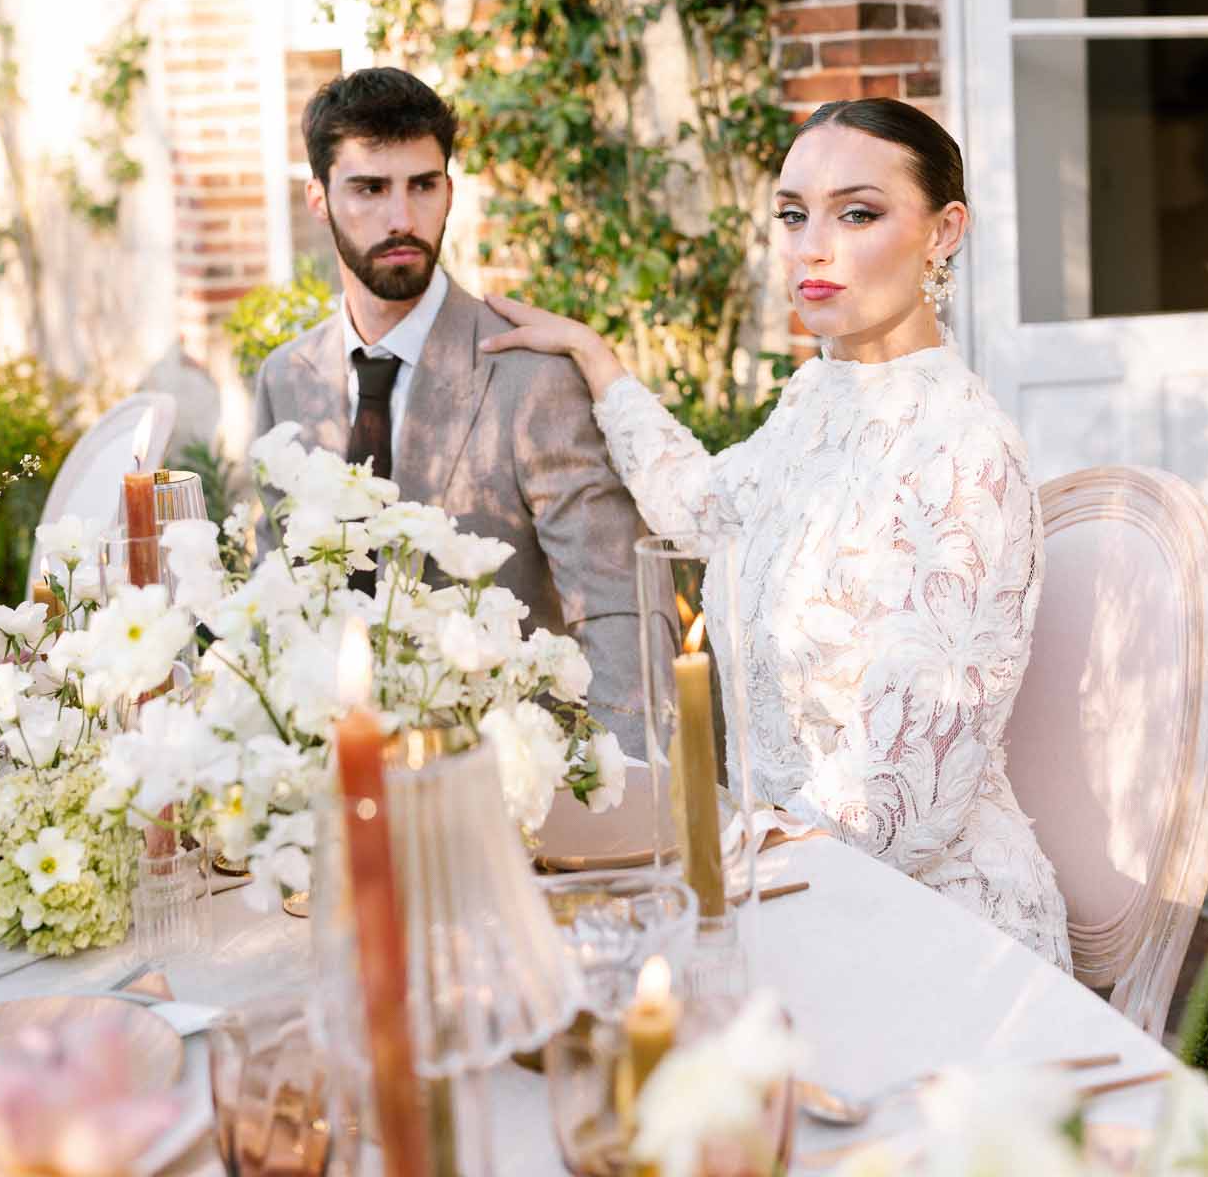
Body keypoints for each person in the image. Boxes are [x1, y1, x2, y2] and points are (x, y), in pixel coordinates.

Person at [481, 97, 1071, 970]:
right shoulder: (812, 401)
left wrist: (717, 878)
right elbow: (696, 507)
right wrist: (598, 362)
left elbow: (904, 798)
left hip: (930, 927)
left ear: (943, 232)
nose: (811, 247)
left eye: (857, 213)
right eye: (794, 215)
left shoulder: (964, 451)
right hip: (782, 879)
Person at [253, 67, 644, 750]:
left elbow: (614, 606)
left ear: (448, 192)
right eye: (369, 188)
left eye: (421, 186)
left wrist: (635, 798)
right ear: (318, 199)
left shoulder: (528, 376)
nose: (400, 218)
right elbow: (273, 599)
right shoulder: (285, 380)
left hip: (506, 779)